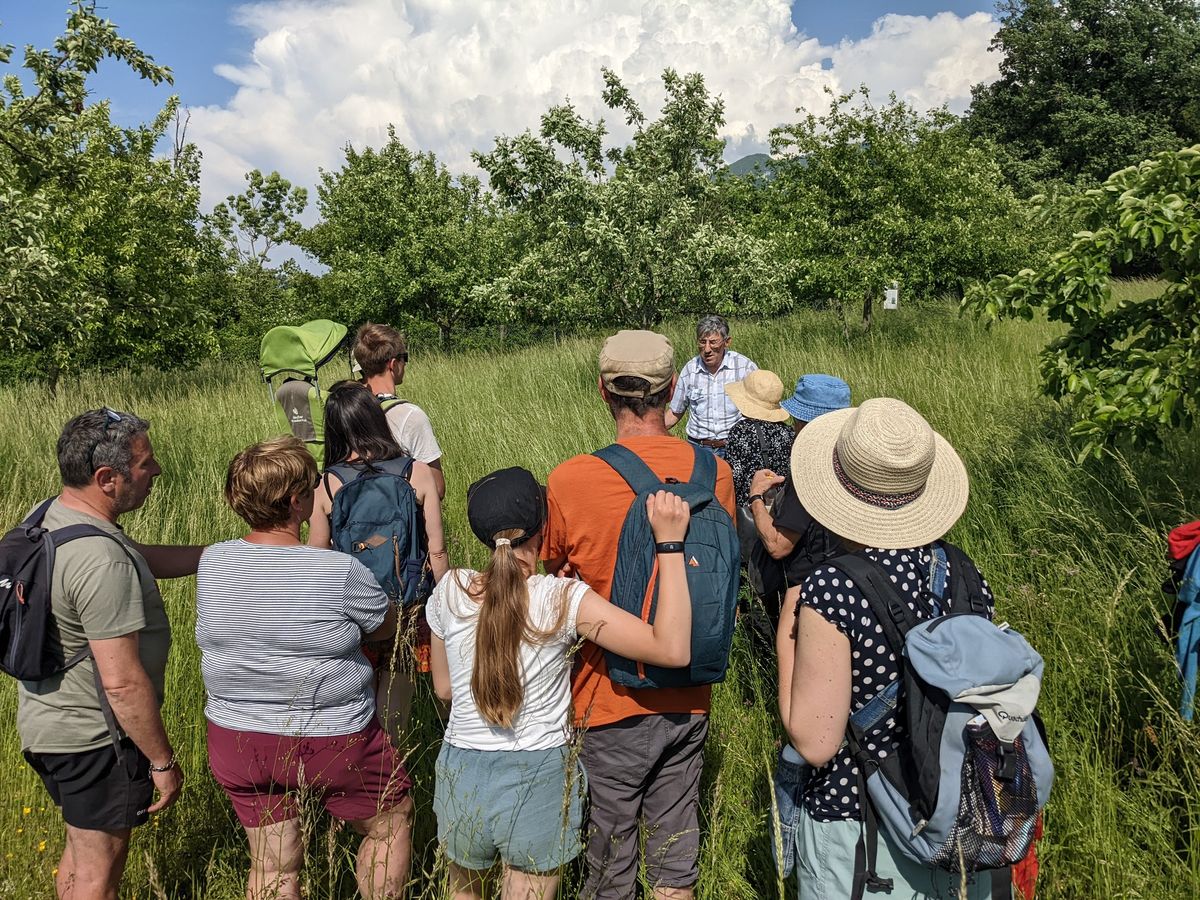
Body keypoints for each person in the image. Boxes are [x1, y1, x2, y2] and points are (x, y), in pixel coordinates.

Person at [428, 467, 694, 900]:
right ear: (542, 529)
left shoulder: (450, 590)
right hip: (538, 775)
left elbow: (445, 689)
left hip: (462, 769)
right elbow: (671, 649)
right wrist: (670, 543)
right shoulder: (562, 598)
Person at [543, 330, 736, 900]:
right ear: (673, 388)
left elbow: (553, 578)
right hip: (691, 689)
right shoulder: (714, 472)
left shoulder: (571, 479)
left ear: (604, 391)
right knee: (676, 856)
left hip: (607, 698)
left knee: (609, 858)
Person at [777, 397, 992, 899]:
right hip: (957, 817)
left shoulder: (832, 588)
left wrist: (792, 623)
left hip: (864, 829)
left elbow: (815, 741)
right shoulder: (961, 571)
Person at [197, 436, 414, 900]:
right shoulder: (337, 571)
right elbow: (385, 624)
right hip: (332, 737)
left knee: (273, 865)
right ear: (297, 501)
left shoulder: (214, 562)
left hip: (237, 737)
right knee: (389, 823)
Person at [17, 408, 201, 900]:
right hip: (96, 740)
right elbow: (121, 681)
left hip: (48, 726)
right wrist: (161, 762)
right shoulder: (99, 561)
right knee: (100, 876)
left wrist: (223, 553)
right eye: (145, 464)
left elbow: (135, 555)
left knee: (79, 854)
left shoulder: (53, 517)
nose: (156, 470)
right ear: (107, 477)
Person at [308, 380, 449, 746]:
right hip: (407, 605)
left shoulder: (325, 485)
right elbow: (437, 550)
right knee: (397, 691)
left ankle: (362, 765)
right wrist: (447, 605)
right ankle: (393, 765)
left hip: (352, 610)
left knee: (357, 692)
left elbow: (317, 557)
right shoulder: (416, 472)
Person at [747, 374, 851, 625]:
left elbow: (778, 545)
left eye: (797, 419)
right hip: (850, 582)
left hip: (808, 592)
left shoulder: (810, 473)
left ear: (805, 424)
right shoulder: (855, 466)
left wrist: (756, 496)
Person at [354, 323, 446, 499]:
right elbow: (437, 489)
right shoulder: (410, 416)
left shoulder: (347, 409)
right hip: (396, 519)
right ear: (393, 364)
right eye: (405, 357)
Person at [664, 314, 758, 458]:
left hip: (735, 447)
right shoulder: (690, 370)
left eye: (713, 342)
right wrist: (649, 434)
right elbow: (675, 412)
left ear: (727, 342)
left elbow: (760, 408)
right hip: (698, 449)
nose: (707, 349)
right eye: (702, 342)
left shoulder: (744, 367)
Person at [722, 369, 793, 507]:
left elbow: (734, 478)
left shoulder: (740, 432)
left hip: (749, 506)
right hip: (780, 507)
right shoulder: (788, 432)